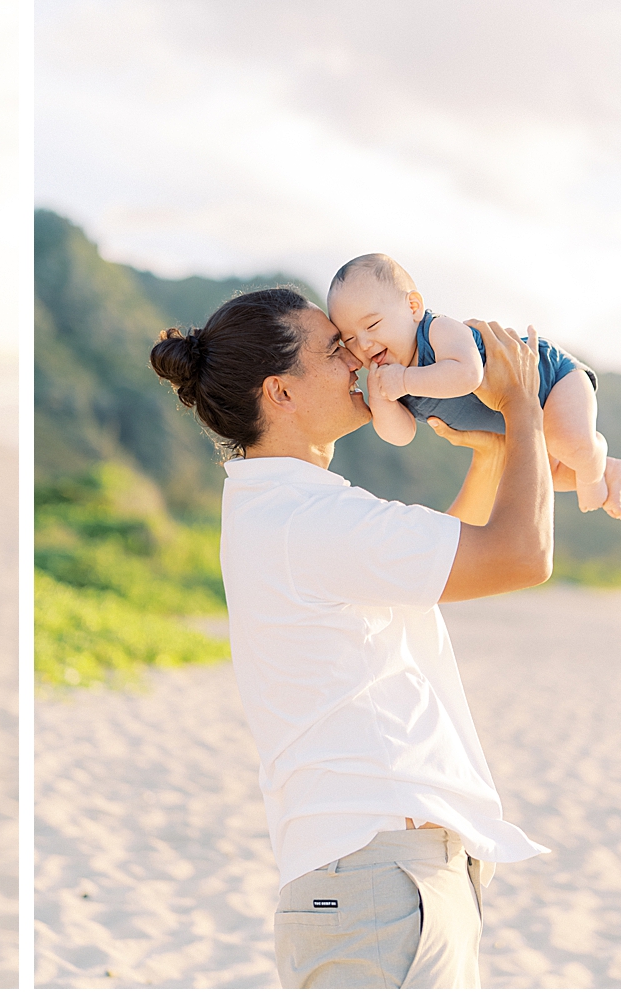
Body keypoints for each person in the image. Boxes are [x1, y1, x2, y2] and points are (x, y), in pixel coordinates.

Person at [150, 287, 553, 989]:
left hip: (380, 882)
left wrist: (491, 456)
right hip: (378, 884)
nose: (364, 354)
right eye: (336, 349)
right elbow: (521, 554)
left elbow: (445, 562)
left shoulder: (280, 506)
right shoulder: (306, 519)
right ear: (280, 392)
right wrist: (521, 409)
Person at [326, 253, 621, 518]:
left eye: (372, 325)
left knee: (570, 445)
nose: (364, 343)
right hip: (517, 418)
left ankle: (595, 470)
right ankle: (610, 469)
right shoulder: (390, 377)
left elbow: (467, 375)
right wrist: (382, 398)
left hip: (549, 378)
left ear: (413, 306)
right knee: (547, 471)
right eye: (350, 339)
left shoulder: (438, 330)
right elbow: (402, 435)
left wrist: (404, 381)